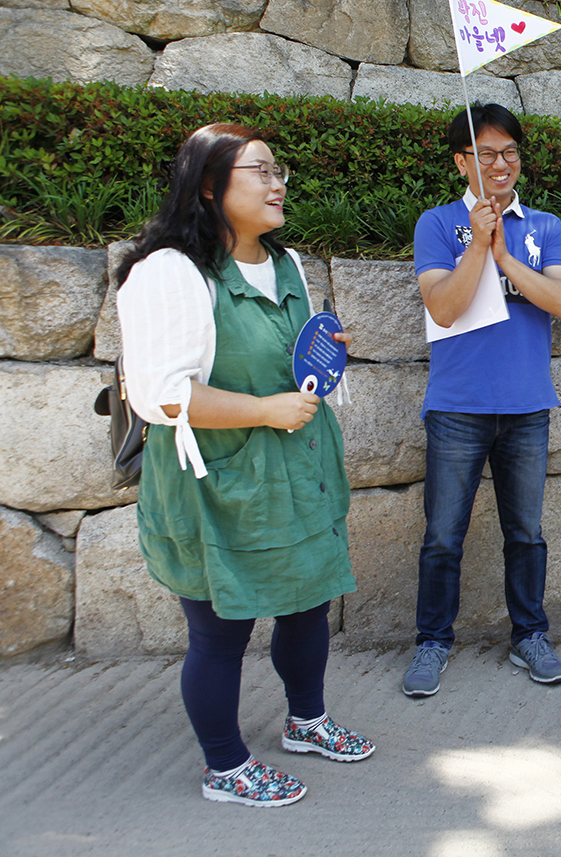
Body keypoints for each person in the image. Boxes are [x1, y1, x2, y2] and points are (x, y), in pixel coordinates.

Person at [116, 123, 374, 807]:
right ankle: (226, 767)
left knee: (307, 602)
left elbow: (297, 365)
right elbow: (161, 393)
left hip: (299, 465)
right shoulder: (170, 271)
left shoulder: (286, 264)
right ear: (208, 185)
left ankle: (306, 720)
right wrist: (264, 409)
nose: (277, 181)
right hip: (219, 480)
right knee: (220, 629)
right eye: (259, 171)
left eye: (278, 169)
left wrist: (327, 350)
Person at [404, 103, 561, 695]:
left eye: (510, 153)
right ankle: (432, 643)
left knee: (525, 533)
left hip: (527, 406)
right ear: (462, 162)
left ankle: (530, 634)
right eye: (485, 154)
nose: (500, 164)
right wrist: (478, 245)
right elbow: (444, 307)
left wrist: (505, 255)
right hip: (456, 406)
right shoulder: (436, 224)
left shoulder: (546, 227)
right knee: (442, 536)